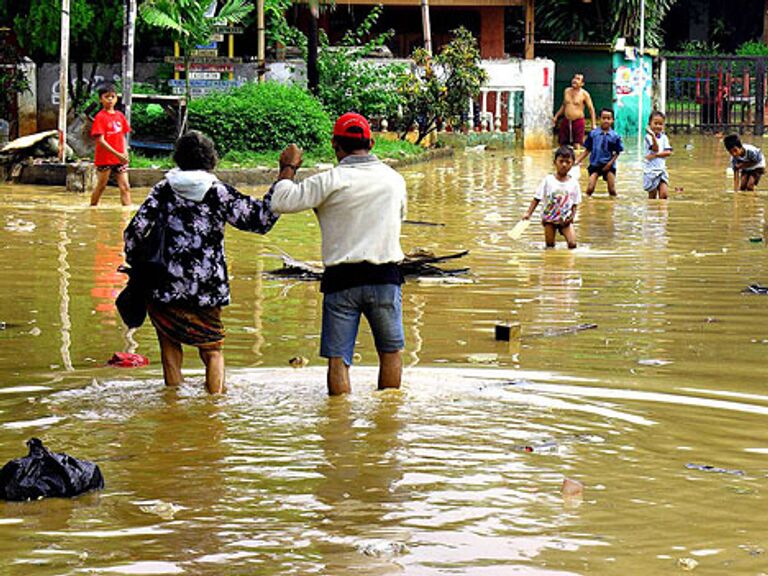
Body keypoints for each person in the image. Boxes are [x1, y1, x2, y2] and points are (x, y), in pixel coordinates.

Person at [123, 130, 278, 394]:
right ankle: (214, 409)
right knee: (212, 349)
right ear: (211, 160)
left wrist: (138, 267)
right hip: (207, 287)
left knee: (169, 345)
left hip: (163, 283)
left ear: (178, 158)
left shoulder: (162, 190)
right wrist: (284, 175)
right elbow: (259, 220)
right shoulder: (218, 192)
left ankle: (173, 406)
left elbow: (134, 233)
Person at [270, 112, 407, 396]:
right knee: (391, 351)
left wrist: (288, 167)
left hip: (341, 281)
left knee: (338, 359)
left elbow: (280, 201)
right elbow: (400, 217)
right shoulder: (394, 181)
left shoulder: (328, 181)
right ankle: (389, 424)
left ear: (336, 145)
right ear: (371, 143)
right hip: (385, 278)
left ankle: (339, 429)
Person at [522, 145, 581, 249]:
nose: (564, 165)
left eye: (568, 162)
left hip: (565, 219)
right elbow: (537, 198)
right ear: (555, 162)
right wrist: (528, 213)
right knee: (550, 246)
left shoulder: (574, 183)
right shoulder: (548, 180)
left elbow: (575, 203)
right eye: (561, 161)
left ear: (572, 164)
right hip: (549, 218)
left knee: (572, 244)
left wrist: (572, 216)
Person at [90, 84, 132, 206]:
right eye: (106, 96)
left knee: (125, 187)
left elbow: (123, 136)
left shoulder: (120, 116)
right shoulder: (100, 117)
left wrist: (125, 152)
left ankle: (127, 215)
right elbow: (100, 141)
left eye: (112, 96)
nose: (110, 99)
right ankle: (92, 208)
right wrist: (117, 154)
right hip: (105, 158)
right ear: (100, 99)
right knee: (101, 186)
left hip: (120, 158)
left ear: (116, 99)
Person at [576, 108, 624, 197]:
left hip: (609, 166)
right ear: (599, 119)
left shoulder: (615, 136)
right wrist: (577, 161)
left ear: (612, 120)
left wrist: (610, 164)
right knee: (590, 189)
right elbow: (587, 150)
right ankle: (588, 206)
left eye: (608, 118)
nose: (606, 120)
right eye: (603, 118)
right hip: (595, 164)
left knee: (612, 190)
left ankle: (611, 207)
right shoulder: (593, 134)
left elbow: (617, 152)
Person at [552, 73, 596, 148]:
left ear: (582, 83)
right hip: (566, 120)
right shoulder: (566, 91)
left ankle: (577, 159)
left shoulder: (584, 94)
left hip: (578, 122)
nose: (575, 80)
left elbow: (591, 109)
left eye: (578, 79)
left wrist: (593, 124)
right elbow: (564, 105)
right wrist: (556, 117)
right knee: (562, 144)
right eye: (574, 78)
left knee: (577, 145)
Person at [643, 111, 673, 200]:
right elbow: (655, 148)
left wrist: (655, 155)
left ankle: (662, 213)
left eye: (660, 124)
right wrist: (652, 136)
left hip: (662, 171)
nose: (658, 126)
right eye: (655, 123)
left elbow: (668, 152)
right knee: (652, 198)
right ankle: (652, 213)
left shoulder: (664, 137)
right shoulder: (648, 137)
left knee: (664, 196)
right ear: (650, 124)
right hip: (651, 172)